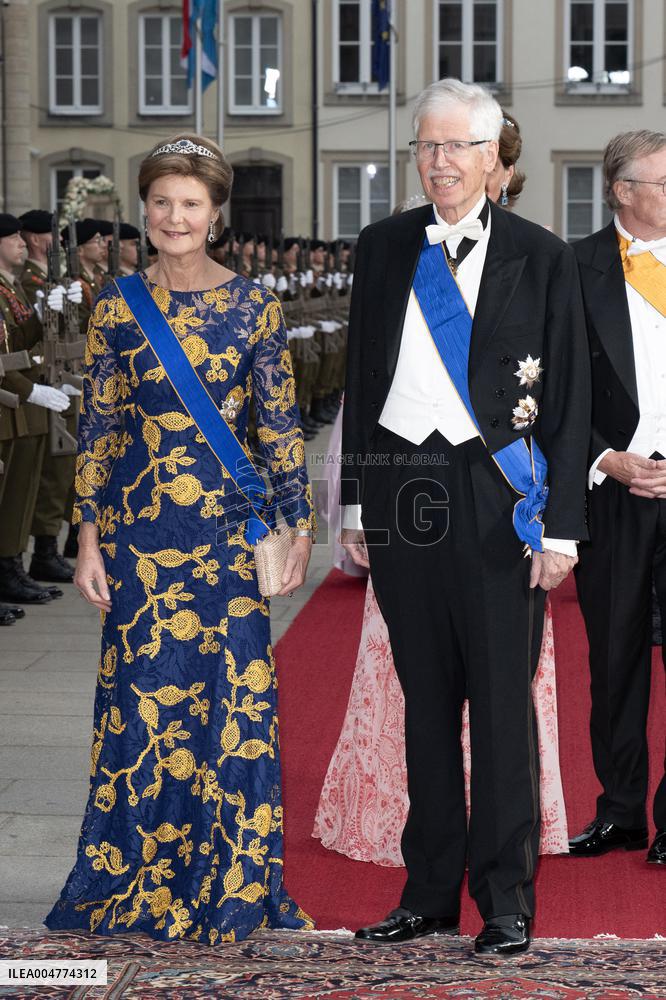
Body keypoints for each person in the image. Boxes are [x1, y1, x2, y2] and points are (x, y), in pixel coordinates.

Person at [45, 133, 317, 944]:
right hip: (138, 536)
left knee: (227, 705)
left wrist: (297, 526)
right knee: (141, 707)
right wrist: (87, 538)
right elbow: (97, 429)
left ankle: (228, 876)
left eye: (190, 204)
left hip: (226, 542)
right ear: (145, 210)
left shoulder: (255, 306)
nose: (174, 216)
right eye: (161, 202)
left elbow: (280, 426)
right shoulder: (115, 305)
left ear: (215, 214)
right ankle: (132, 873)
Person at [340, 80, 590, 955]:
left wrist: (560, 528)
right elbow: (362, 380)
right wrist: (355, 501)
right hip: (403, 490)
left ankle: (508, 901)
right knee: (425, 704)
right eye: (426, 147)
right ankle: (429, 893)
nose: (439, 163)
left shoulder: (542, 255)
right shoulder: (380, 247)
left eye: (456, 148)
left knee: (500, 707)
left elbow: (566, 398)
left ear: (494, 158)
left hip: (496, 499)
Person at [568, 129, 666, 866]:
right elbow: (554, 393)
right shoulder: (573, 268)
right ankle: (622, 811)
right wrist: (607, 457)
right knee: (616, 661)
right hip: (613, 488)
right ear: (621, 189)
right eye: (662, 181)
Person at [0, 214, 70, 606]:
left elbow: (19, 340)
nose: (21, 243)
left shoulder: (12, 289)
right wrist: (31, 390)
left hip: (18, 402)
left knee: (20, 493)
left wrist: (41, 317)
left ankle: (13, 566)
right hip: (12, 400)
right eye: (12, 237)